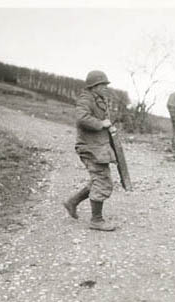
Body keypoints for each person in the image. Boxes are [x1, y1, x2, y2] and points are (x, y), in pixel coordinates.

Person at [63, 70, 118, 231]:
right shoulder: (86, 99)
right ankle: (96, 220)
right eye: (103, 85)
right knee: (102, 180)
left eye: (106, 85)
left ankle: (72, 202)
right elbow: (82, 118)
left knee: (98, 178)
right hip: (90, 148)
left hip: (98, 147)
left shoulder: (99, 99)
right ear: (94, 86)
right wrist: (101, 124)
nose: (106, 88)